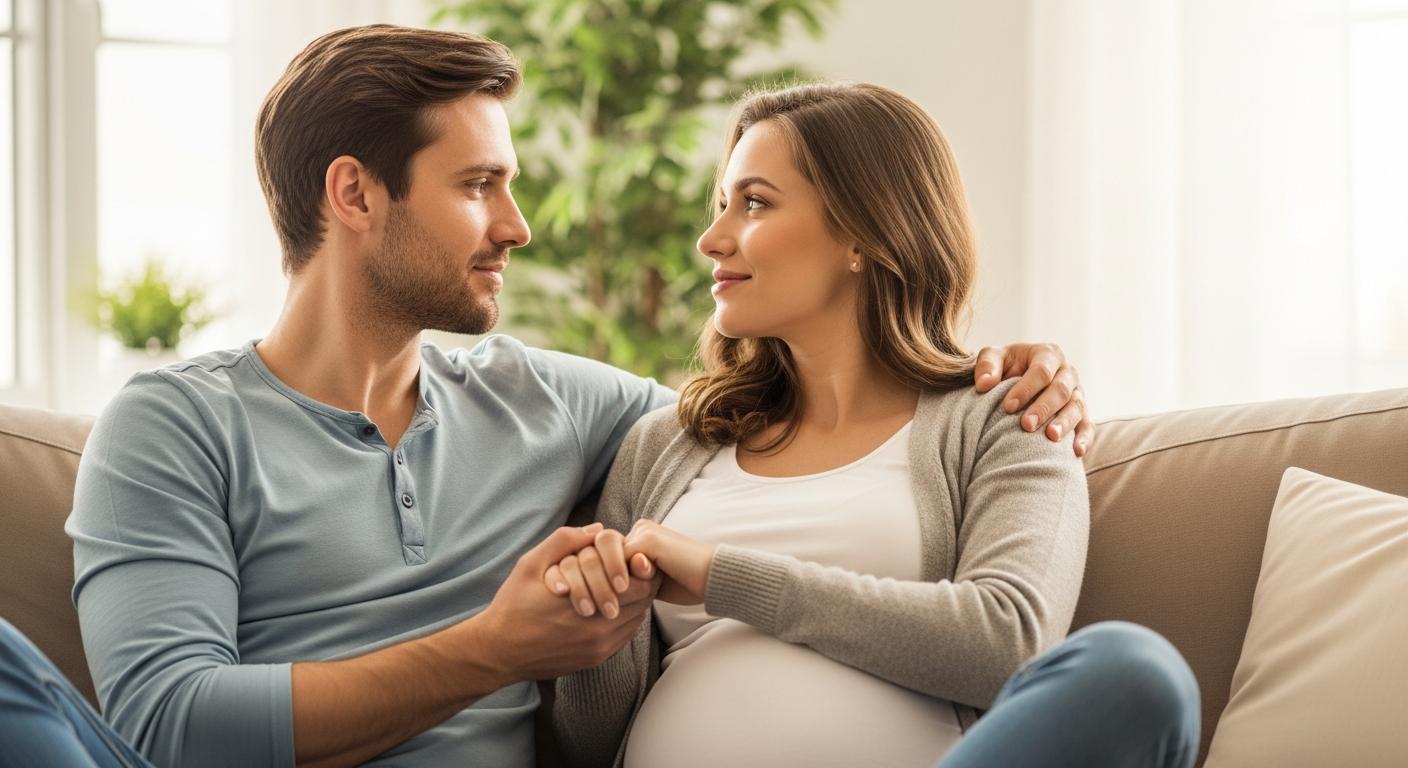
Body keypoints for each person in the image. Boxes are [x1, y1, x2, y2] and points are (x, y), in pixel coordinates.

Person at [0, 26, 1091, 768]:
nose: (517, 227)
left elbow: (782, 428)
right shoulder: (175, 423)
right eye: (480, 186)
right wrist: (495, 648)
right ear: (354, 194)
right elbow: (172, 722)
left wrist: (1017, 371)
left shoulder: (560, 405)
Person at [547, 83, 1200, 768]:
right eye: (721, 206)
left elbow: (1010, 640)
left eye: (755, 203)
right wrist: (597, 615)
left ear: (862, 233)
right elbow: (588, 744)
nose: (711, 240)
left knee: (1136, 671)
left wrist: (722, 576)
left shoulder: (1008, 417)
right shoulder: (665, 444)